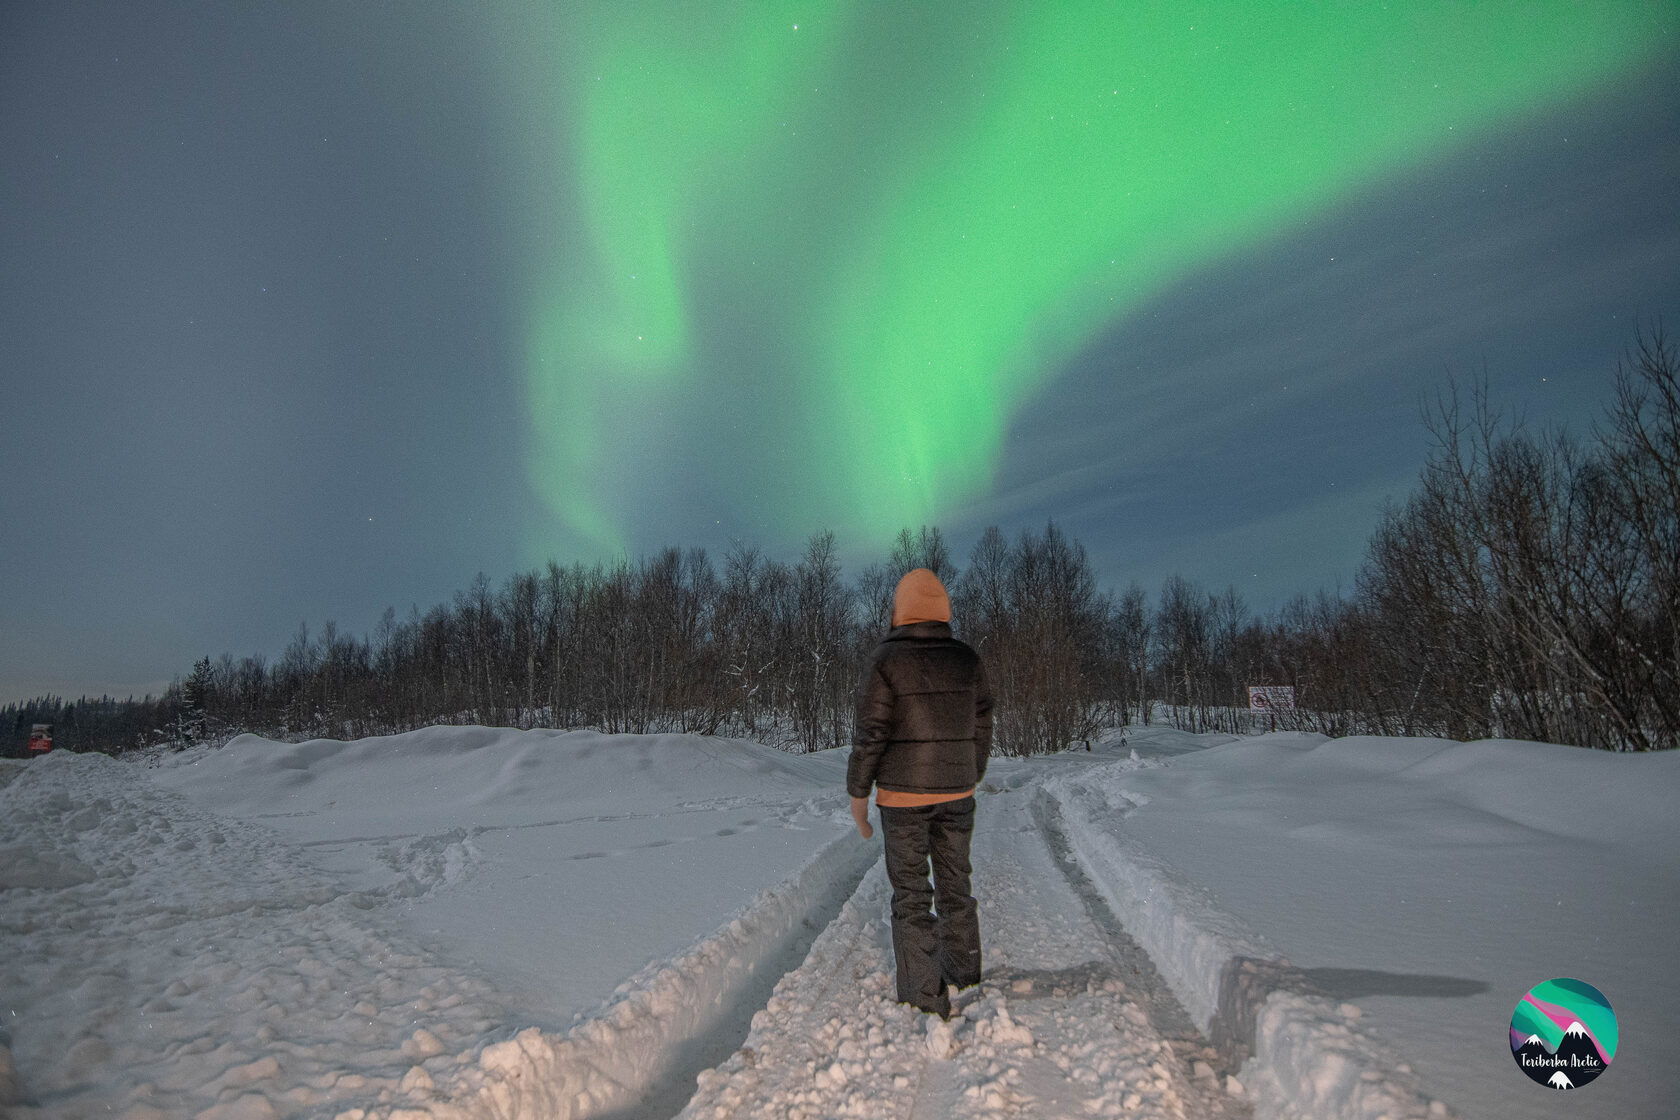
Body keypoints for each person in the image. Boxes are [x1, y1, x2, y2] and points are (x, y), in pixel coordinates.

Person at [847, 567, 994, 1019]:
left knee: (911, 895)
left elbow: (871, 733)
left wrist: (858, 795)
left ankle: (924, 999)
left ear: (901, 610)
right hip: (957, 791)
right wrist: (971, 771)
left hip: (902, 798)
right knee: (956, 884)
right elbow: (982, 722)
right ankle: (963, 974)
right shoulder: (967, 659)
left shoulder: (885, 660)